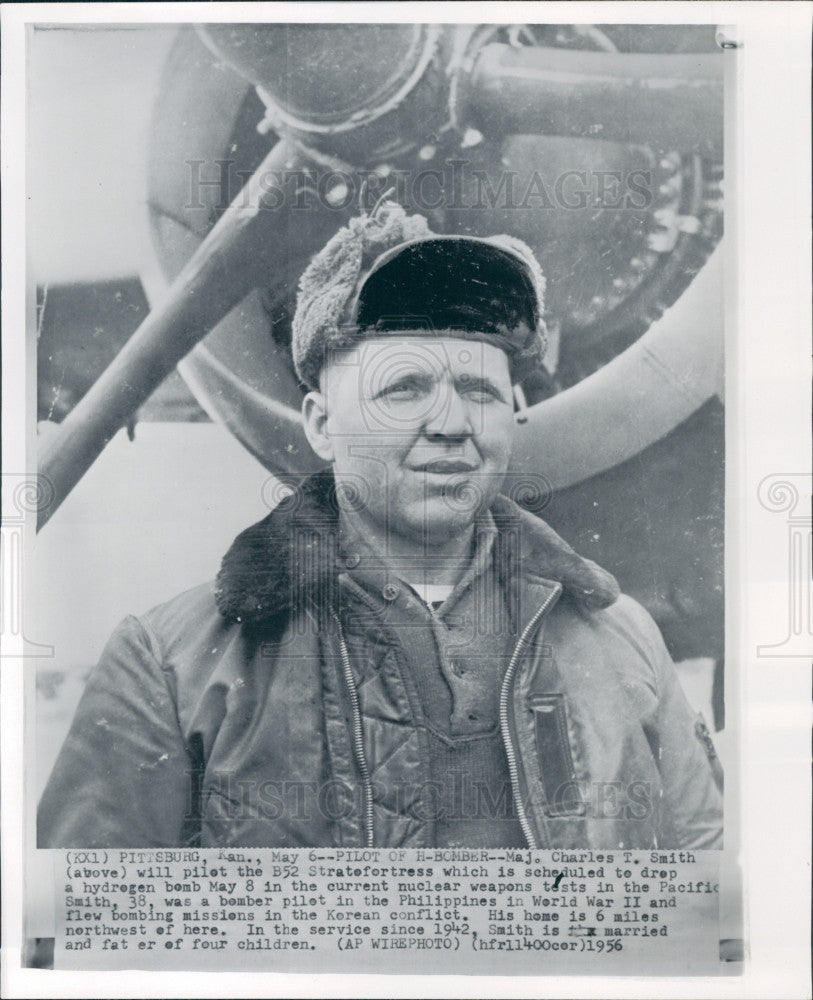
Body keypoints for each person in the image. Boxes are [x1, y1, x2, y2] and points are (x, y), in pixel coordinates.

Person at [38, 202, 723, 849]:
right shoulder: (166, 665)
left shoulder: (623, 636)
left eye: (479, 390)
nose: (451, 424)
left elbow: (702, 914)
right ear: (320, 425)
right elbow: (86, 937)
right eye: (403, 389)